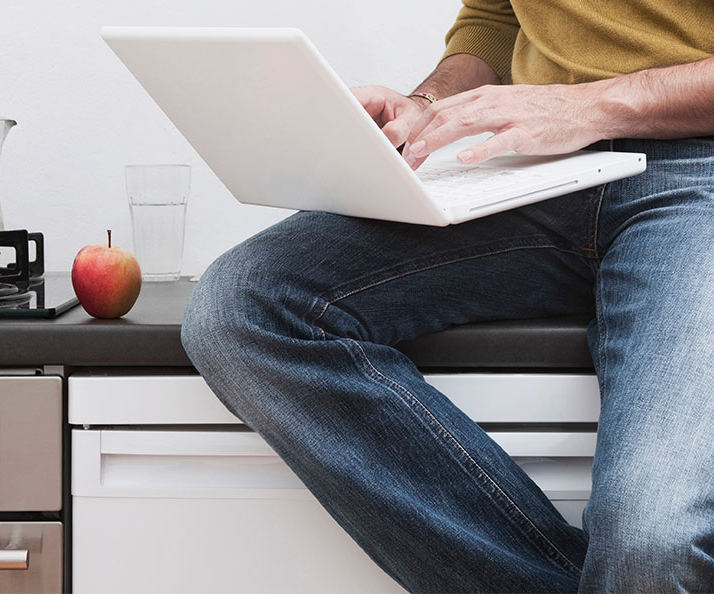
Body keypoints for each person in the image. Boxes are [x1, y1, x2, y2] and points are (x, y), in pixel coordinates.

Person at [181, 1, 714, 591]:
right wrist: (429, 104)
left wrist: (584, 103)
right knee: (245, 305)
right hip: (536, 164)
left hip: (701, 174)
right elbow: (494, 17)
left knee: (655, 541)